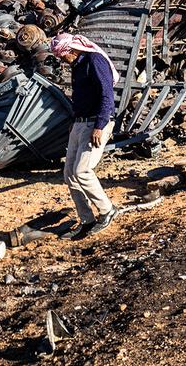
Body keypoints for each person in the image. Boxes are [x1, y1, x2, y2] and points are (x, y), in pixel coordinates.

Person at [50, 33, 120, 240]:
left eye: (63, 57)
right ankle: (86, 220)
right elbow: (81, 97)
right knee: (69, 173)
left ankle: (107, 210)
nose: (63, 61)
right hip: (80, 123)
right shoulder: (78, 65)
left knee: (82, 170)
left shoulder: (94, 60)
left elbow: (106, 94)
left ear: (72, 49)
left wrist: (100, 125)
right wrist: (74, 121)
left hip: (95, 123)